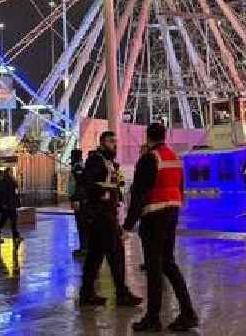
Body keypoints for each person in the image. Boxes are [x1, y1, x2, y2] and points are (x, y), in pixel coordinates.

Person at [124, 123, 198, 333]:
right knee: (169, 263)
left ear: (148, 137)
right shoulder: (174, 157)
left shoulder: (150, 159)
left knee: (154, 268)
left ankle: (153, 317)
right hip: (172, 212)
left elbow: (140, 194)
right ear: (164, 136)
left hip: (153, 215)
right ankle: (188, 312)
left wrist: (128, 226)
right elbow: (180, 187)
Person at [76, 131, 141, 308]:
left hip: (105, 214)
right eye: (111, 141)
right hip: (102, 215)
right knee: (116, 253)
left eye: (115, 141)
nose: (115, 145)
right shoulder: (96, 160)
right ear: (102, 142)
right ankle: (121, 293)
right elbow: (88, 182)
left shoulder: (109, 162)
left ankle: (86, 294)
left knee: (95, 256)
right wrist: (102, 192)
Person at [0, 168, 22, 245]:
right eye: (10, 172)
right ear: (7, 173)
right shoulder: (3, 182)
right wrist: (3, 204)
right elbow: (1, 194)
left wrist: (17, 203)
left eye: (12, 172)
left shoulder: (13, 181)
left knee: (13, 222)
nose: (12, 173)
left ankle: (16, 237)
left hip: (12, 205)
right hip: (7, 206)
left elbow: (16, 193)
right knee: (3, 222)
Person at [67, 149, 88, 257]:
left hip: (79, 201)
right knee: (81, 224)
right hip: (79, 200)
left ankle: (84, 248)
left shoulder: (78, 167)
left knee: (81, 224)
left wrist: (76, 199)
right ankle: (84, 247)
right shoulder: (77, 166)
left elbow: (80, 185)